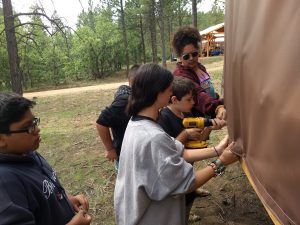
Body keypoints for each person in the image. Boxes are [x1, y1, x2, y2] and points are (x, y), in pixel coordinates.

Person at [114, 63, 238, 225]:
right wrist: (221, 163)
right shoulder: (152, 137)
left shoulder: (137, 122)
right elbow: (188, 184)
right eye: (169, 89)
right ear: (157, 93)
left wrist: (219, 149)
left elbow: (178, 152)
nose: (172, 93)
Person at [0, 92, 92, 225]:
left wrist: (65, 199)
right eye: (28, 127)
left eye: (34, 122)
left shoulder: (26, 153)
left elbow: (43, 194)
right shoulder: (6, 184)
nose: (37, 129)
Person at [157, 76, 226, 223]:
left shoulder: (187, 113)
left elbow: (199, 139)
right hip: (174, 173)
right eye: (189, 99)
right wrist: (186, 133)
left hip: (187, 168)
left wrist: (209, 127)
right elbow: (168, 149)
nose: (193, 102)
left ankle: (186, 218)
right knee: (178, 201)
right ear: (174, 99)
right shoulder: (163, 119)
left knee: (189, 197)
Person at [172, 26, 226, 119]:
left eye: (194, 54)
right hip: (194, 121)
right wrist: (217, 107)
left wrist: (217, 100)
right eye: (186, 56)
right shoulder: (180, 75)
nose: (191, 58)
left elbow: (206, 89)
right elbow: (198, 94)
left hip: (206, 114)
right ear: (180, 56)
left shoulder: (200, 67)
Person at [96, 64, 140, 170]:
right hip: (124, 154)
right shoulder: (125, 102)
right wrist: (110, 149)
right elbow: (101, 122)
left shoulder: (142, 100)